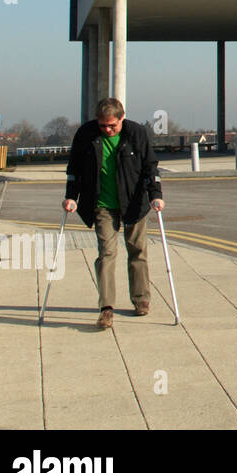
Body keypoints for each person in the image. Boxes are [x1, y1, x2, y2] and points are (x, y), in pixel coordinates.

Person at [63, 98, 164, 329]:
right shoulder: (86, 135)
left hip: (134, 203)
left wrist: (155, 194)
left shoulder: (137, 133)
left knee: (137, 251)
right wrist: (71, 196)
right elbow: (74, 169)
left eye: (112, 126)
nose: (107, 130)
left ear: (122, 118)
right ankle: (106, 307)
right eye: (103, 125)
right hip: (102, 204)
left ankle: (141, 299)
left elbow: (151, 167)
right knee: (106, 254)